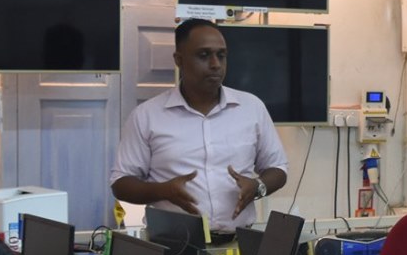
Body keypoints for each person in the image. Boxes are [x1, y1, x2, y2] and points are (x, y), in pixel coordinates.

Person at [111, 18, 288, 232]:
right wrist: (163, 191)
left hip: (238, 244)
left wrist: (258, 187)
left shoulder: (251, 108)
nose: (215, 64)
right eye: (203, 55)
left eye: (221, 55)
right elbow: (121, 183)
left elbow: (277, 169)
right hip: (174, 244)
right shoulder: (147, 116)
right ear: (179, 59)